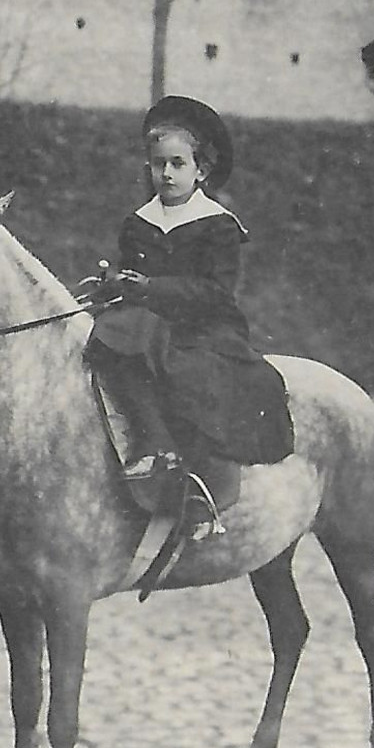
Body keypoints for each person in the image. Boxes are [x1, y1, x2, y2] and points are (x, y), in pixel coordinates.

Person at [85, 95, 293, 479]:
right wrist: (112, 285)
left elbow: (216, 292)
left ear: (201, 171)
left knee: (191, 373)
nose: (166, 173)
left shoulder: (217, 224)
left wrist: (151, 287)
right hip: (148, 322)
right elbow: (130, 277)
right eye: (158, 163)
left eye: (177, 164)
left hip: (205, 327)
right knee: (109, 337)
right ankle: (152, 442)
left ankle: (199, 477)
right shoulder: (138, 222)